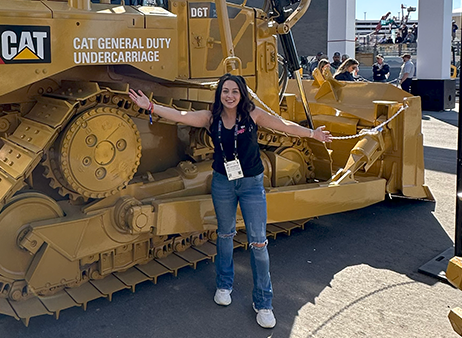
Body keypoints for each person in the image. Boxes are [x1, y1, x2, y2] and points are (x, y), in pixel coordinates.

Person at [128, 75, 332, 329]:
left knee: (258, 241)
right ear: (220, 94)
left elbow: (283, 125)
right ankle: (224, 286)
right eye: (225, 91)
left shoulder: (253, 115)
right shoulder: (210, 117)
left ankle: (263, 302)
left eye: (235, 91)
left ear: (242, 94)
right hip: (223, 182)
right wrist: (150, 106)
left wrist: (313, 133)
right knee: (225, 234)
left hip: (251, 185)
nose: (230, 96)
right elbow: (180, 115)